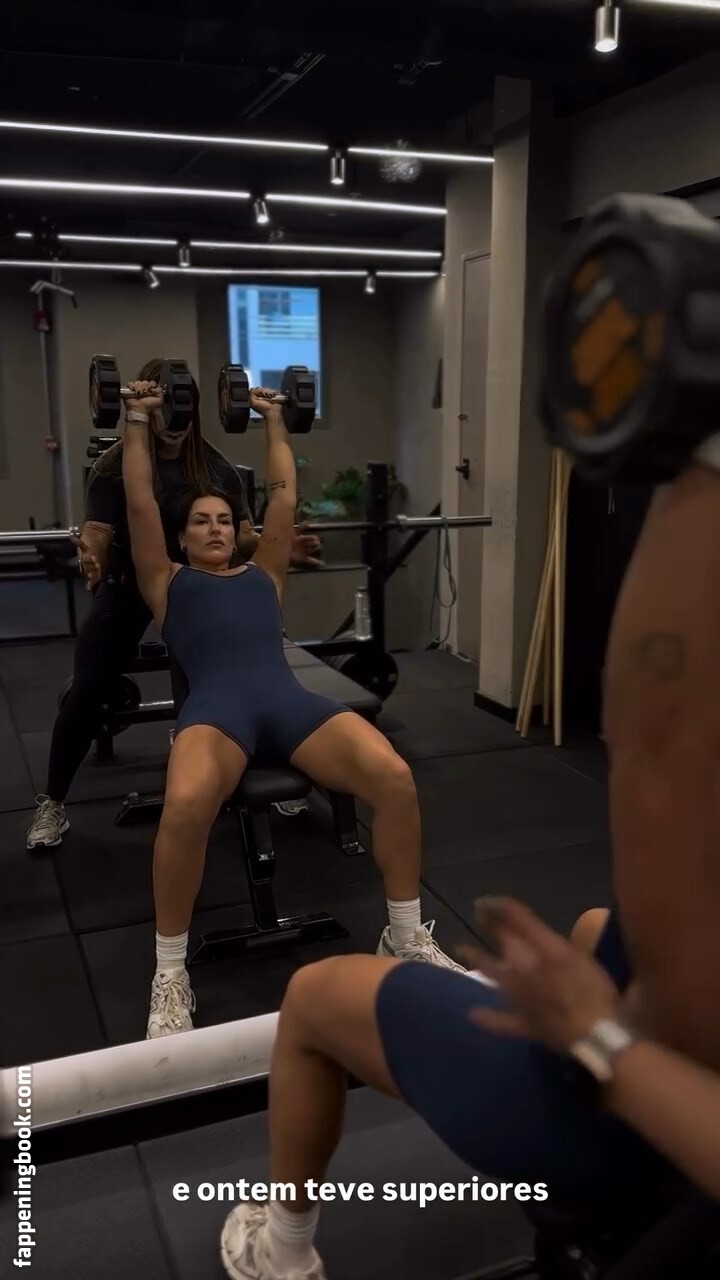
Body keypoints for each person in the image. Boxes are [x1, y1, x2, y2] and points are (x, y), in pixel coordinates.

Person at [218, 439, 720, 1280]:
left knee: (311, 997)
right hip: (220, 704)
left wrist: (596, 1036)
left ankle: (283, 1252)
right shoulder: (178, 580)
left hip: (626, 1110)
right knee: (595, 922)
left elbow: (274, 510)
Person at [120, 377, 464, 1039]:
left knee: (393, 777)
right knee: (185, 806)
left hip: (288, 704)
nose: (216, 528)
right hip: (217, 715)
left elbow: (283, 495)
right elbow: (138, 501)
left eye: (225, 520)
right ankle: (170, 973)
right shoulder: (166, 580)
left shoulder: (265, 573)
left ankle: (402, 937)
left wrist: (274, 419)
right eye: (202, 521)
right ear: (181, 537)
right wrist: (136, 420)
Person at [25, 357, 321, 851]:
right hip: (130, 582)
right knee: (89, 689)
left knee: (223, 682)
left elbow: (243, 537)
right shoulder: (114, 464)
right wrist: (91, 553)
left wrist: (278, 544)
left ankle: (254, 777)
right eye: (165, 407)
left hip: (197, 584)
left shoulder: (216, 468)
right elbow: (98, 529)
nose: (174, 420)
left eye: (184, 408)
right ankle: (53, 801)